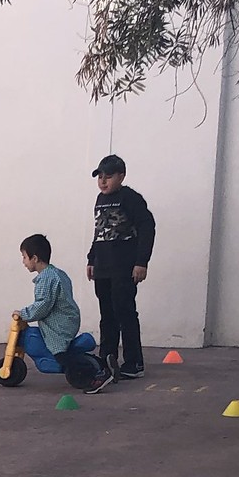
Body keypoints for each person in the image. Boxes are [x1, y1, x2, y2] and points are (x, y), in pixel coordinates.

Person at [87, 154, 155, 380]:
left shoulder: (130, 199)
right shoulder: (100, 199)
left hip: (123, 267)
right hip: (103, 267)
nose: (103, 182)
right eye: (100, 177)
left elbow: (147, 227)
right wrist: (91, 259)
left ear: (121, 176)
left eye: (108, 177)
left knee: (124, 312)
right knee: (107, 315)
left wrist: (141, 262)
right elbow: (100, 232)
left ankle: (134, 363)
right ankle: (107, 358)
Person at [15, 234, 105, 393]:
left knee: (59, 355)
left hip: (60, 323)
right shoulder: (57, 273)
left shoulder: (46, 279)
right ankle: (101, 364)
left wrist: (24, 313)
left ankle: (93, 377)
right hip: (67, 318)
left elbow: (43, 305)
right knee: (66, 351)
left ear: (34, 258)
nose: (23, 262)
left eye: (24, 257)